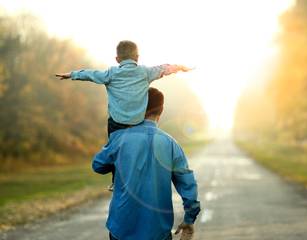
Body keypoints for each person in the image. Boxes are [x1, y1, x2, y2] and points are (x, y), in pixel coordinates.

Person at [55, 40, 192, 190]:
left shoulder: (111, 74)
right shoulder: (145, 72)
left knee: (115, 149)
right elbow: (164, 69)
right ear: (137, 57)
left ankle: (116, 180)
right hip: (138, 121)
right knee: (140, 147)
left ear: (117, 59)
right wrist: (179, 67)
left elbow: (90, 74)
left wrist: (72, 74)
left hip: (116, 122)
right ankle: (141, 173)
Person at [92, 87, 201, 240]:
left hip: (121, 229)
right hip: (158, 232)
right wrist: (189, 219)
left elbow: (97, 166)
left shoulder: (119, 138)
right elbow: (187, 185)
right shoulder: (171, 144)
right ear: (161, 112)